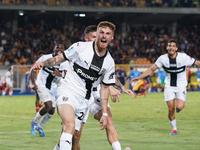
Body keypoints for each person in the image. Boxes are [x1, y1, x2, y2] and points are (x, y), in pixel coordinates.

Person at [32, 21, 117, 150]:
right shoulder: (80, 47)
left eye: (108, 33)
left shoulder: (109, 62)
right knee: (69, 125)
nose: (104, 36)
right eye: (101, 32)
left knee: (71, 137)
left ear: (112, 37)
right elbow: (59, 59)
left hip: (84, 100)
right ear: (98, 34)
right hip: (67, 91)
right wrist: (43, 63)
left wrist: (104, 114)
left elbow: (105, 88)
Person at [53, 25, 134, 150]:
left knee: (108, 120)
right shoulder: (79, 51)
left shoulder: (105, 58)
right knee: (74, 136)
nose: (99, 38)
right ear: (87, 38)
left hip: (96, 94)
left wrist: (120, 87)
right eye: (95, 36)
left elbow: (107, 77)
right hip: (76, 94)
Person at [131, 39, 200, 136]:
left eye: (173, 46)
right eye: (169, 45)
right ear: (167, 48)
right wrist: (138, 77)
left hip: (181, 85)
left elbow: (197, 63)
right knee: (170, 109)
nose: (171, 47)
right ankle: (174, 128)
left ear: (176, 48)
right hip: (169, 86)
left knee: (179, 106)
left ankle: (178, 108)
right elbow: (151, 69)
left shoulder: (183, 57)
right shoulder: (162, 59)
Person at [30, 42, 68, 137]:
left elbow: (66, 75)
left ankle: (40, 126)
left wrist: (60, 74)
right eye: (57, 47)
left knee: (51, 111)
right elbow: (33, 69)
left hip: (54, 87)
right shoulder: (44, 58)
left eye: (61, 48)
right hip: (41, 85)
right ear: (54, 49)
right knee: (48, 106)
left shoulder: (65, 62)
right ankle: (34, 122)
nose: (59, 49)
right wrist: (33, 83)